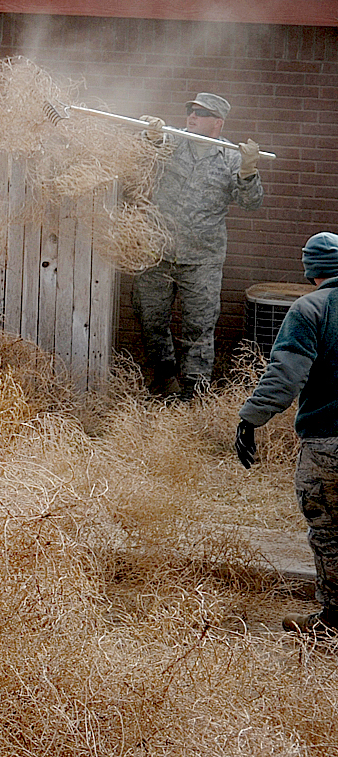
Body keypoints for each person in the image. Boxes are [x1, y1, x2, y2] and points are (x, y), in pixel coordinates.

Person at [235, 231, 338, 637]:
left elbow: (286, 375)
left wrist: (250, 419)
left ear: (310, 269)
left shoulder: (311, 308)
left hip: (328, 444)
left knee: (330, 532)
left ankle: (332, 621)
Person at [133, 92, 264, 397]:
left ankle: (195, 394)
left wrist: (248, 173)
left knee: (199, 328)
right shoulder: (173, 141)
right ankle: (163, 379)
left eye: (200, 114)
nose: (191, 117)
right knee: (150, 318)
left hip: (202, 259)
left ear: (217, 123)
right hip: (159, 252)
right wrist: (149, 134)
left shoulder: (231, 157)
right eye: (190, 111)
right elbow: (144, 154)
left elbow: (250, 204)